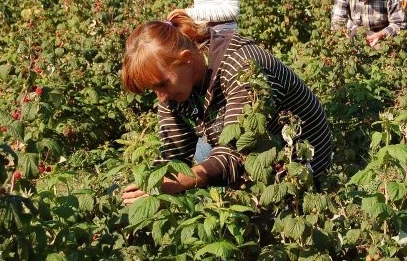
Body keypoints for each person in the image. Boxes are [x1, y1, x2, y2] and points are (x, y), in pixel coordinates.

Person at [120, 11, 334, 203]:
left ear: (185, 59)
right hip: (247, 153)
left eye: (162, 84)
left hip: (304, 164)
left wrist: (181, 182)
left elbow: (238, 153)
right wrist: (151, 187)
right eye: (153, 89)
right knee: (204, 163)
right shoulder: (174, 88)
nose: (161, 97)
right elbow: (174, 155)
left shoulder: (242, 66)